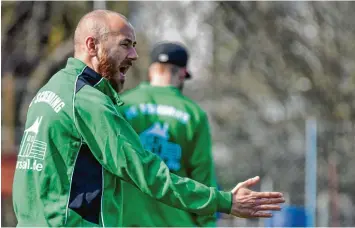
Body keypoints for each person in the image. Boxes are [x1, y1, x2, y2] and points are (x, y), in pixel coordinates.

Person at [12, 9, 285, 227]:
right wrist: (224, 201)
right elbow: (146, 172)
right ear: (92, 45)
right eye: (125, 45)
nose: (134, 55)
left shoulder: (50, 91)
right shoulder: (90, 102)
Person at [117, 42, 220, 227]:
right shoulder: (194, 114)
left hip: (127, 220)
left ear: (152, 71)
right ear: (181, 74)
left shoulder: (121, 105)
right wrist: (208, 223)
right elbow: (202, 176)